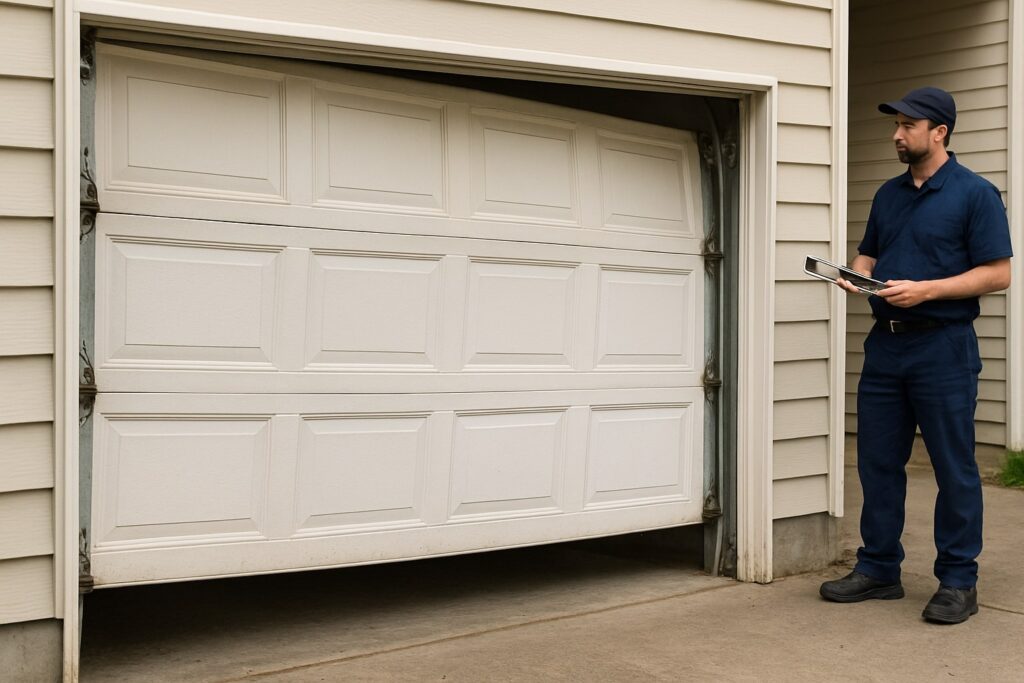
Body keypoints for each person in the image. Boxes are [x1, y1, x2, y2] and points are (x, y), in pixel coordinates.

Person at [819, 87, 1013, 624]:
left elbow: (999, 272)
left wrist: (926, 290)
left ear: (939, 132)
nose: (897, 135)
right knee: (878, 462)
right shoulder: (889, 193)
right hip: (886, 346)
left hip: (943, 347)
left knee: (955, 468)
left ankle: (958, 581)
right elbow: (869, 253)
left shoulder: (975, 194)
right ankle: (879, 568)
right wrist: (855, 278)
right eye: (897, 125)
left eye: (908, 125)